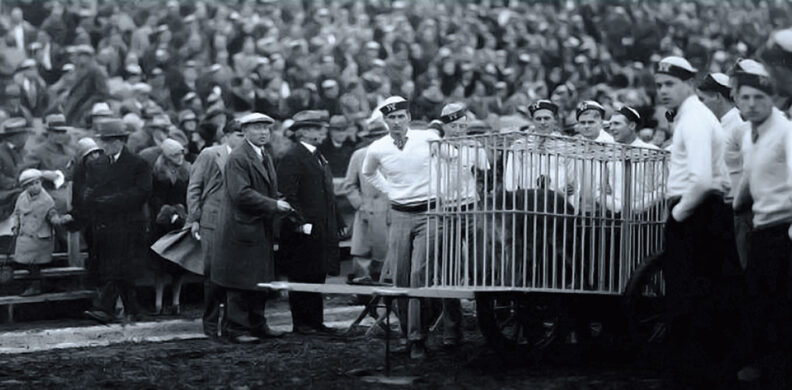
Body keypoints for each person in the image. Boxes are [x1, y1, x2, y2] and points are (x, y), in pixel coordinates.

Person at [654, 56, 737, 389]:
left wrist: (678, 213)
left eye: (669, 84)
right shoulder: (691, 116)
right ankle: (695, 371)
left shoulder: (694, 120)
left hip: (696, 214)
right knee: (697, 297)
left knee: (691, 299)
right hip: (701, 211)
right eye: (659, 85)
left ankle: (693, 375)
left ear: (689, 84)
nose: (662, 91)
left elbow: (702, 179)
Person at [361, 96, 452, 359]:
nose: (397, 122)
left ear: (409, 118)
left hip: (430, 213)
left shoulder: (427, 139)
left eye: (401, 116)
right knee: (400, 277)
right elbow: (369, 173)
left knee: (418, 274)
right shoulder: (378, 147)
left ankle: (418, 338)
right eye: (392, 118)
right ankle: (406, 334)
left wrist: (442, 189)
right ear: (385, 120)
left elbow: (455, 159)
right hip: (400, 215)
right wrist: (390, 190)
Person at [732, 61, 792, 389]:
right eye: (745, 97)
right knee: (761, 306)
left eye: (758, 97)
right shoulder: (751, 136)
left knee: (781, 311)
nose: (752, 104)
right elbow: (747, 179)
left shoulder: (785, 132)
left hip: (784, 232)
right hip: (762, 230)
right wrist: (736, 205)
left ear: (773, 98)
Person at [211, 113, 290, 344]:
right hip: (241, 228)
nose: (263, 132)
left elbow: (262, 188)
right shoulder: (239, 157)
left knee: (259, 278)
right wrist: (274, 204)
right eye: (257, 128)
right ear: (244, 131)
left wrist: (277, 200)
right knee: (240, 281)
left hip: (257, 226)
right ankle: (236, 329)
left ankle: (257, 324)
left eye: (266, 128)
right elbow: (241, 194)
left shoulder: (264, 154)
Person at [277, 110, 345, 336]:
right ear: (302, 133)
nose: (321, 132)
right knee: (301, 275)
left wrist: (338, 219)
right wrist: (301, 224)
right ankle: (302, 323)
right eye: (316, 128)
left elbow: (328, 192)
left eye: (320, 128)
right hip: (302, 231)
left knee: (317, 273)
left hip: (321, 227)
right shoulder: (292, 157)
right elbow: (288, 195)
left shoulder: (318, 156)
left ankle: (316, 321)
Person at [82, 119, 152, 324]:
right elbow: (89, 190)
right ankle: (133, 309)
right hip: (104, 224)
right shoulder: (97, 164)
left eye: (108, 141)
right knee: (118, 269)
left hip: (129, 224)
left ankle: (105, 308)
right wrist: (94, 200)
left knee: (117, 267)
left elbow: (142, 193)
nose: (104, 146)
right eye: (103, 141)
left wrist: (110, 201)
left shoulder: (138, 164)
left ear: (121, 141)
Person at [434, 102, 490, 347]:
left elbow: (485, 174)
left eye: (463, 125)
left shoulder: (474, 145)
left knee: (481, 266)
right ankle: (451, 330)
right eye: (455, 126)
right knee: (449, 269)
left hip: (471, 207)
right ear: (445, 125)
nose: (460, 130)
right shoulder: (435, 146)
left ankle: (486, 321)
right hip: (445, 209)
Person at [186, 118, 245, 339]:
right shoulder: (211, 154)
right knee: (212, 272)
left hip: (238, 221)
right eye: (239, 135)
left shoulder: (248, 157)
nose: (243, 139)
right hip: (212, 219)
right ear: (226, 135)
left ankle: (231, 324)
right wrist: (194, 218)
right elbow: (194, 186)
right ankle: (210, 324)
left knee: (234, 274)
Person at [697, 72, 752, 269]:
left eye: (702, 99)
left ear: (718, 97)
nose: (699, 105)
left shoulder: (738, 126)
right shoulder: (717, 126)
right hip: (719, 207)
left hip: (736, 210)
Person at [342, 120, 390, 283]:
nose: (378, 140)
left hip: (391, 211)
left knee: (390, 252)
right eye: (374, 137)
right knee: (362, 253)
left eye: (381, 136)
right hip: (367, 210)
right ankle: (361, 292)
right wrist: (360, 204)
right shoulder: (359, 155)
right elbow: (349, 184)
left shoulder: (397, 153)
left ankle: (389, 290)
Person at [11, 169, 72, 296]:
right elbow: (17, 213)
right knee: (23, 263)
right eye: (30, 184)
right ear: (25, 187)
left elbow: (52, 213)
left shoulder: (46, 200)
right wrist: (15, 226)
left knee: (35, 264)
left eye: (37, 183)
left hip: (39, 238)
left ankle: (37, 287)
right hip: (25, 237)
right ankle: (29, 286)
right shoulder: (22, 198)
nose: (35, 186)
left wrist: (58, 220)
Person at [148, 139, 191, 315]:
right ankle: (158, 303)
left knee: (178, 265)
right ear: (166, 157)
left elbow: (190, 194)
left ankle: (176, 302)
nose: (179, 157)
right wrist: (167, 213)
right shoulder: (157, 173)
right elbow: (153, 198)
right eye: (175, 155)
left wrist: (183, 214)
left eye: (181, 153)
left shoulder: (187, 171)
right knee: (161, 265)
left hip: (181, 219)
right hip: (162, 222)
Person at [63, 44, 109, 126]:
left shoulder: (96, 70)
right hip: (74, 102)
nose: (81, 58)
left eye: (84, 55)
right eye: (80, 55)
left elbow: (103, 92)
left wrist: (87, 104)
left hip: (86, 104)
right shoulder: (78, 69)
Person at [0, 118, 30, 224]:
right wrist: (16, 184)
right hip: (5, 191)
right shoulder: (1, 152)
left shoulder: (24, 151)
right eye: (24, 134)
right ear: (16, 137)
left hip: (21, 187)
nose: (26, 137)